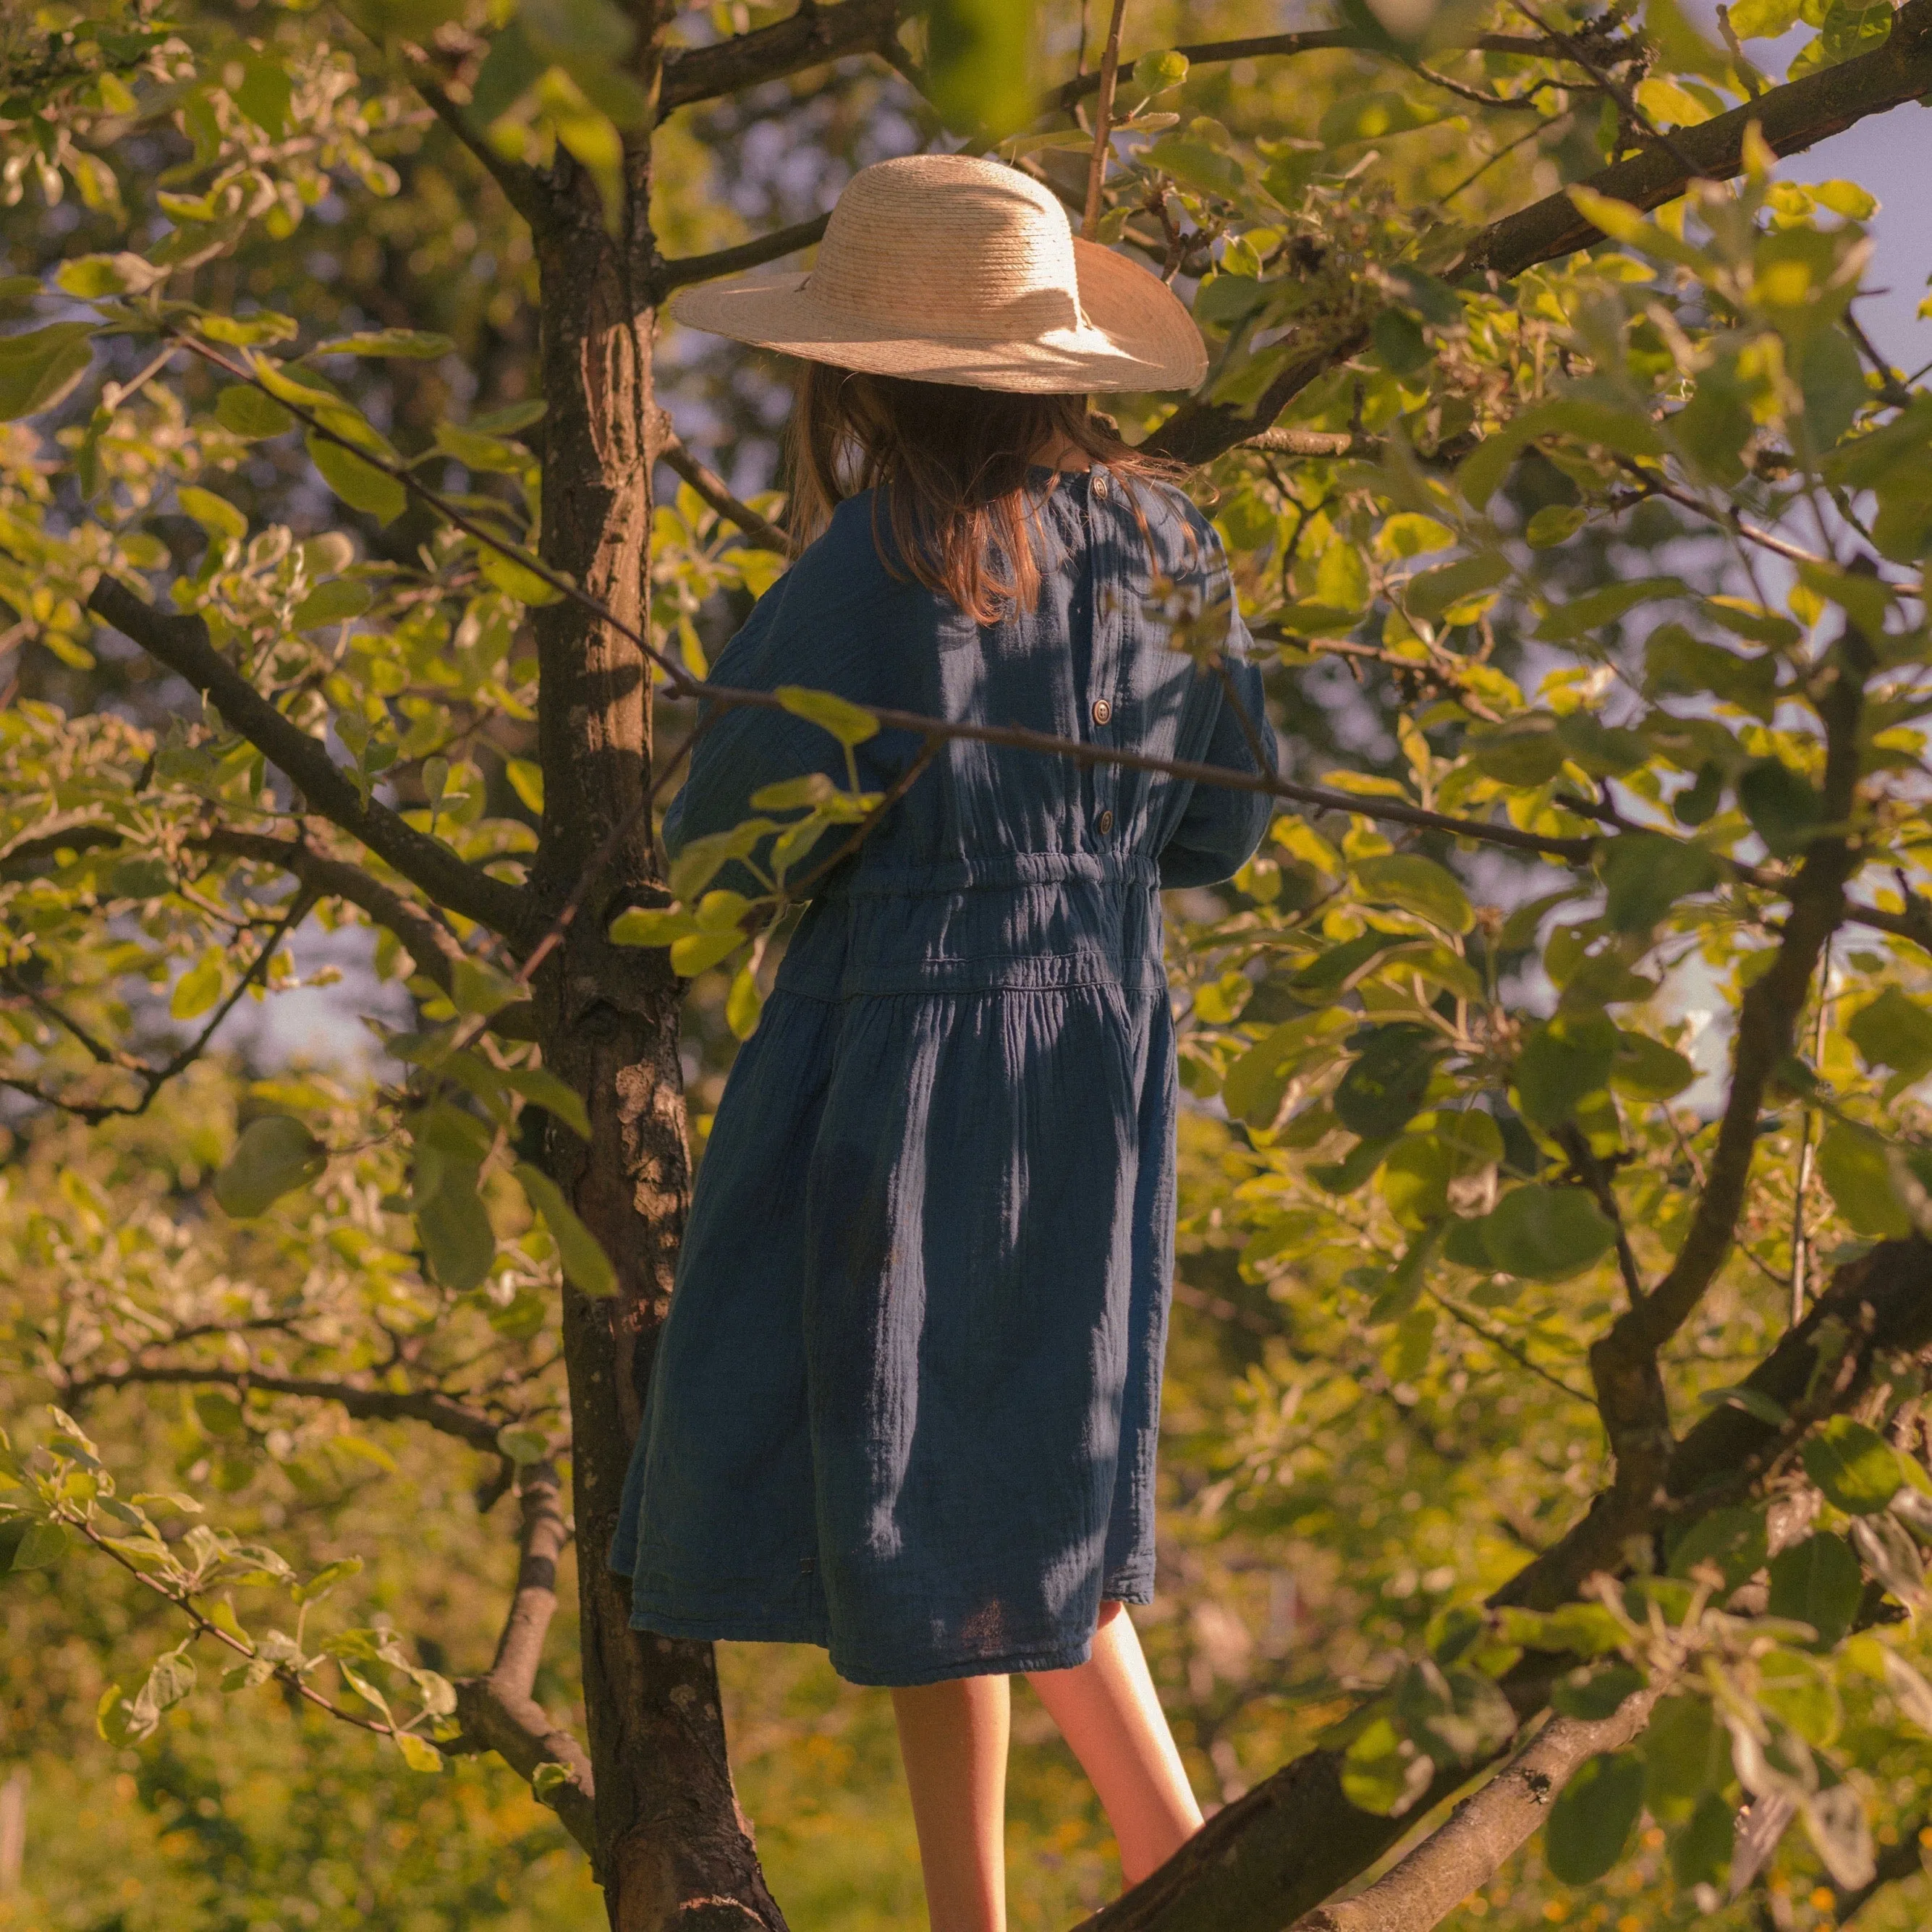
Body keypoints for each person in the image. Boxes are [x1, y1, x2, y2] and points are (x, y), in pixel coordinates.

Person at [608, 152, 1279, 1932]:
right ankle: (1028, 1901)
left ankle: (1178, 1878)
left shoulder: (877, 563)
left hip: (906, 1065)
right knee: (985, 1478)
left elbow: (727, 838)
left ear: (857, 373)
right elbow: (1226, 818)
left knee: (936, 1478)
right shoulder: (1171, 539)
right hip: (1100, 1043)